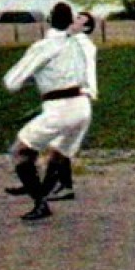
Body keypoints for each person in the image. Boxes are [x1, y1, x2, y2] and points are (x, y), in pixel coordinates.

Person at [1, 3, 93, 222]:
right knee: (58, 154)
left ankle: (40, 202)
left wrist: (34, 77)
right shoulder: (79, 44)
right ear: (71, 22)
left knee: (20, 152)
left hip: (59, 108)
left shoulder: (43, 46)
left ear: (49, 21)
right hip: (82, 107)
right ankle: (47, 192)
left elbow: (11, 82)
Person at [45, 10, 99, 202]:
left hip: (77, 95)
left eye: (79, 20)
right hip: (72, 95)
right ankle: (60, 185)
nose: (74, 21)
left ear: (86, 27)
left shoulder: (83, 43)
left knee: (60, 143)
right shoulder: (73, 41)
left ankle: (56, 186)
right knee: (61, 142)